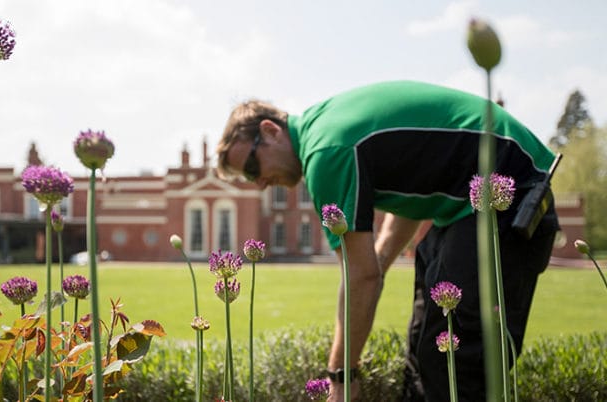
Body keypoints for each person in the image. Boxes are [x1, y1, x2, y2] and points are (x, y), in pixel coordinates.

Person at [215, 80, 559, 401]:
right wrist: (377, 263)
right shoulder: (326, 129)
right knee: (425, 348)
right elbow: (411, 194)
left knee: (453, 357)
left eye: (250, 168)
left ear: (270, 130)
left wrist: (341, 375)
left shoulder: (326, 151)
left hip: (509, 188)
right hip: (460, 208)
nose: (257, 183)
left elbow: (360, 278)